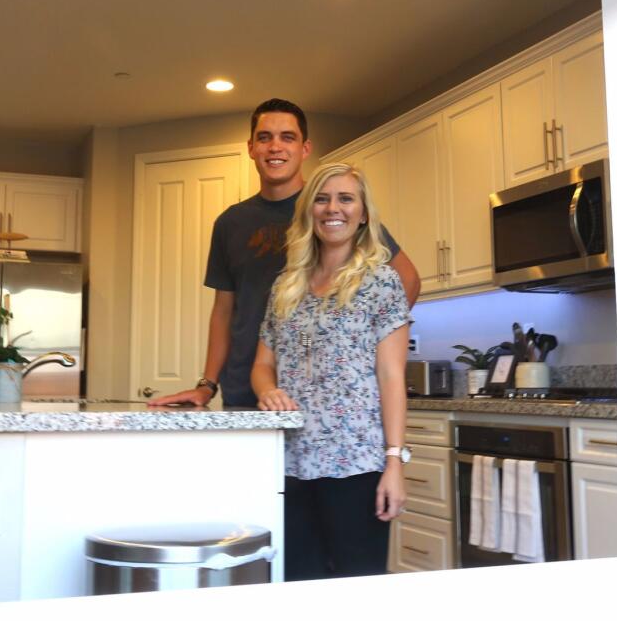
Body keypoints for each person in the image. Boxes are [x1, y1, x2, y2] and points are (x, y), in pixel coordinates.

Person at [147, 98, 419, 408]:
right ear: (251, 148)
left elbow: (407, 279)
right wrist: (207, 385)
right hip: (246, 394)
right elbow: (223, 311)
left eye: (287, 137)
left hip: (318, 395)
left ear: (305, 149)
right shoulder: (230, 223)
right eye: (265, 138)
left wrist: (353, 350)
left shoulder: (334, 211)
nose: (275, 147)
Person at [252, 162, 409, 581]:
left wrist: (394, 462)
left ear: (363, 214)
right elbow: (263, 365)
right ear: (308, 212)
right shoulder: (286, 285)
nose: (332, 208)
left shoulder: (382, 282)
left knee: (357, 584)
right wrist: (267, 391)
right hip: (291, 461)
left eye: (345, 199)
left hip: (356, 462)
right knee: (298, 581)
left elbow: (392, 376)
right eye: (321, 199)